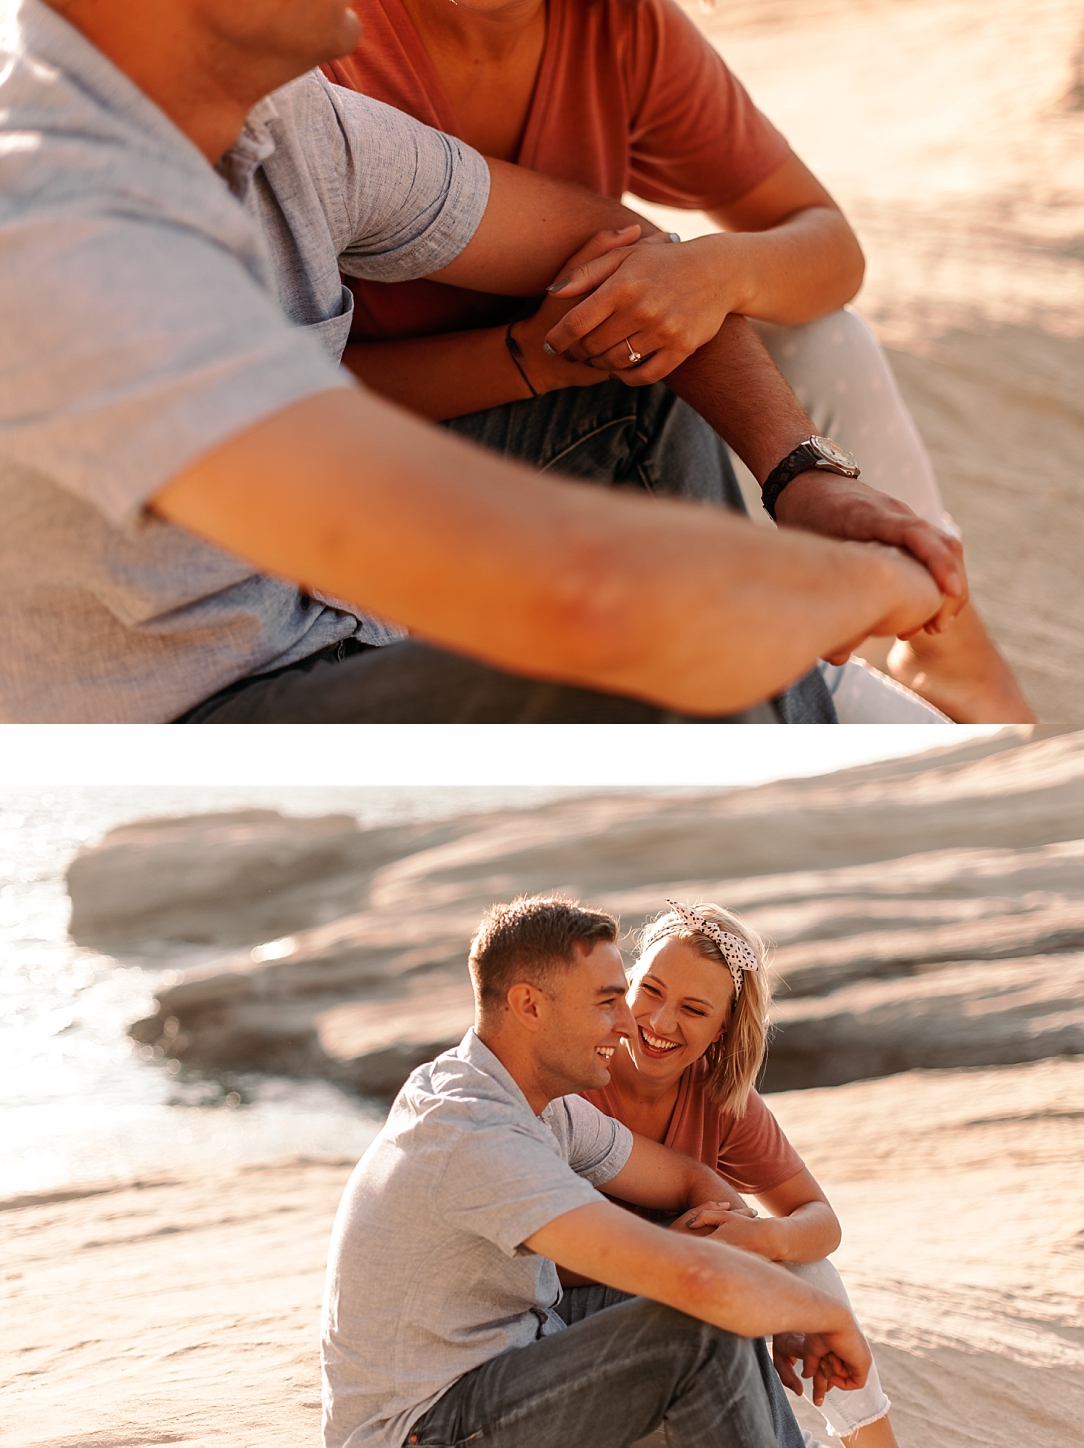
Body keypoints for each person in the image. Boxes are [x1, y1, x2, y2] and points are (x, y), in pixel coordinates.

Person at [0, 0, 947, 723]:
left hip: (337, 610)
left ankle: (794, 713)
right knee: (630, 673)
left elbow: (615, 243)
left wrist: (801, 478)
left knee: (645, 378)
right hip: (196, 722)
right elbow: (591, 600)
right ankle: (804, 721)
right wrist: (875, 585)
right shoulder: (61, 224)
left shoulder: (287, 119)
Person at [324, 0, 1034, 725]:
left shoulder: (620, 24)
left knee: (818, 333)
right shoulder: (316, 42)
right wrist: (529, 359)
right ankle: (796, 693)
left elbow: (828, 246)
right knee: (648, 386)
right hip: (382, 472)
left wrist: (721, 271)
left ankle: (945, 641)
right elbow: (273, 397)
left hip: (570, 440)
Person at [321, 895, 872, 1448]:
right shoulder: (472, 1133)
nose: (629, 1023)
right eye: (609, 1002)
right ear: (530, 1005)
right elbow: (693, 1277)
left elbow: (683, 1177)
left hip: (517, 1355)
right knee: (702, 1330)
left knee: (719, 1311)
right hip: (427, 1425)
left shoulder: (544, 1105)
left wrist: (752, 1272)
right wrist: (822, 1316)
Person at [582, 900, 899, 1448]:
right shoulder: (579, 1076)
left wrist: (765, 1242)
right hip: (584, 1307)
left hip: (686, 1295)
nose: (660, 1022)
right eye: (651, 990)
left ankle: (873, 1442)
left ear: (723, 1026)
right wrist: (677, 1252)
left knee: (808, 1269)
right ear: (628, 982)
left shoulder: (721, 1095)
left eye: (694, 1009)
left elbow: (820, 1220)